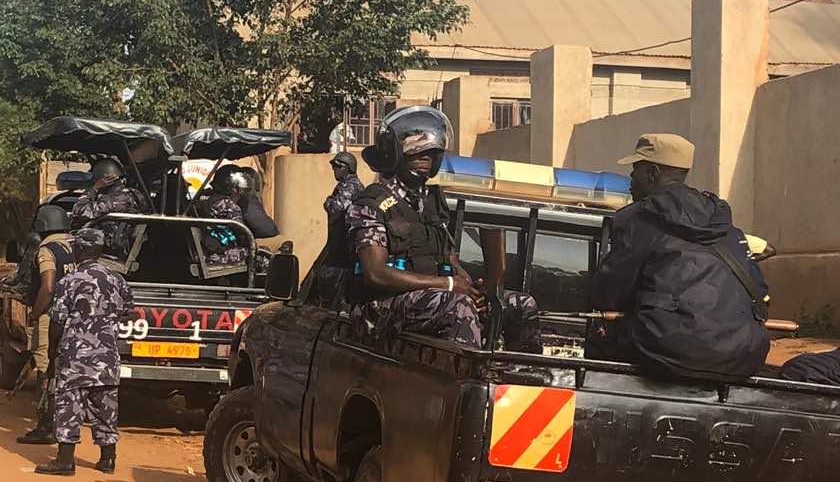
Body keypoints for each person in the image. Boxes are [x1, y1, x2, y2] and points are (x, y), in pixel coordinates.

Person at [346, 106, 540, 351]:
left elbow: (449, 260)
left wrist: (469, 287)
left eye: (432, 153)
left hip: (428, 299)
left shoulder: (431, 202)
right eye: (418, 154)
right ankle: (463, 384)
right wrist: (449, 286)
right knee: (457, 306)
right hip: (380, 307)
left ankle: (523, 380)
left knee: (521, 304)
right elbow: (375, 273)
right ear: (394, 153)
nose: (427, 158)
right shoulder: (371, 203)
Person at [587, 134, 769, 381]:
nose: (630, 178)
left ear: (652, 173)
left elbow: (609, 295)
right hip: (744, 355)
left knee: (596, 340)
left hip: (667, 350)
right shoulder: (724, 223)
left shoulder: (637, 218)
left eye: (635, 170)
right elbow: (760, 292)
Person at [35, 227, 134, 477]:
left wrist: (52, 355)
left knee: (69, 406)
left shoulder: (70, 281)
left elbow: (56, 322)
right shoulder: (118, 280)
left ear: (79, 250)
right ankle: (108, 460)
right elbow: (129, 311)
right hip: (107, 357)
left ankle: (65, 460)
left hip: (75, 357)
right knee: (106, 408)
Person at [18, 206, 75, 446]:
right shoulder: (75, 245)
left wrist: (35, 312)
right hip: (75, 316)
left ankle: (46, 426)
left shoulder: (46, 249)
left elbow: (48, 286)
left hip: (51, 315)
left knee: (45, 369)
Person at [71, 158, 152, 259]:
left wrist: (94, 188)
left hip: (107, 248)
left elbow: (79, 210)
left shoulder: (113, 200)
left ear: (106, 180)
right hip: (122, 245)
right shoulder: (134, 195)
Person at [318, 152, 365, 299]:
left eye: (339, 166)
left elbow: (336, 208)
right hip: (340, 242)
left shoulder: (349, 186)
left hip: (342, 245)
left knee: (331, 283)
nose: (335, 170)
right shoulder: (351, 184)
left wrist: (328, 200)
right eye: (334, 166)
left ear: (349, 168)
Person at [194, 165, 250, 267]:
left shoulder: (210, 201)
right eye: (238, 188)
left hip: (211, 251)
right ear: (231, 188)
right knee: (263, 256)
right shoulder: (228, 205)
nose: (241, 192)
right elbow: (244, 235)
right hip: (221, 256)